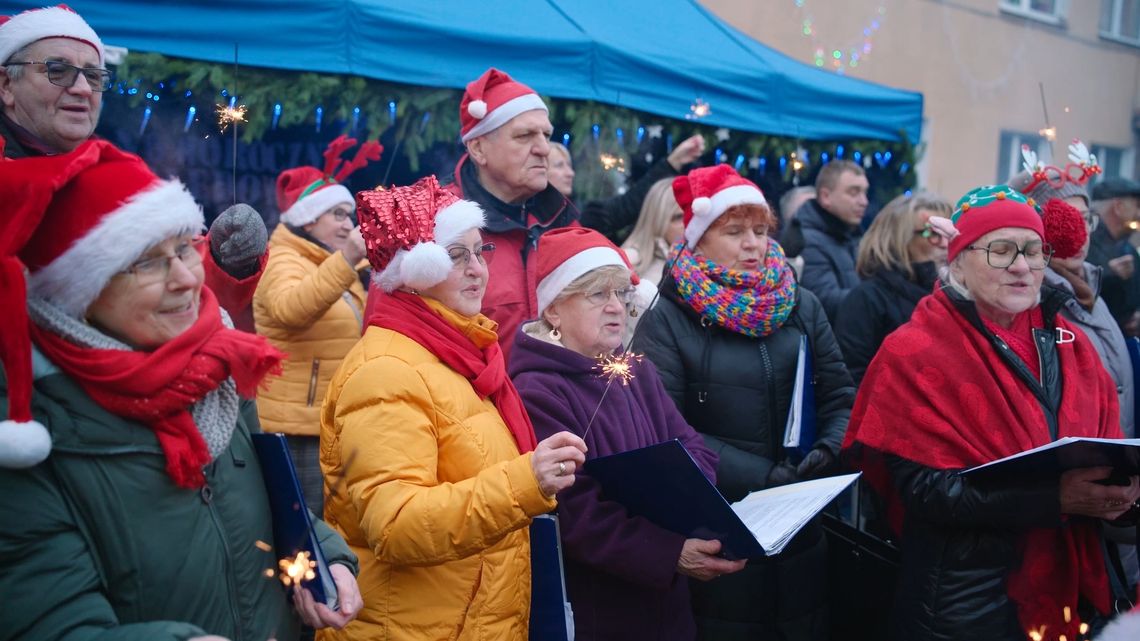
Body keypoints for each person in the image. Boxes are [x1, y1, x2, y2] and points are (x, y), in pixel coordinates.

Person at [0, 140, 362, 641]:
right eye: (146, 262)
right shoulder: (32, 428)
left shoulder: (218, 371)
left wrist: (324, 561)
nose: (185, 279)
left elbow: (278, 508)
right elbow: (46, 619)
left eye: (184, 250)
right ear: (78, 289)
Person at [842, 185, 1140, 641]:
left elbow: (1111, 449)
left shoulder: (1074, 346)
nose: (1021, 266)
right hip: (967, 606)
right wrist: (1053, 499)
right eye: (1000, 251)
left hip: (1074, 597)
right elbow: (924, 493)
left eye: (1034, 251)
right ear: (958, 260)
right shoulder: (914, 352)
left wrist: (1120, 499)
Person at [320, 175, 589, 640]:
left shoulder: (460, 353)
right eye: (454, 255)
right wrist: (527, 480)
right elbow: (396, 524)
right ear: (414, 272)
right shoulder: (386, 370)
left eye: (479, 252)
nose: (478, 270)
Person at [632, 165, 855, 641]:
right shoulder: (668, 317)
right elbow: (666, 427)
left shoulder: (800, 303)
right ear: (697, 239)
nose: (753, 243)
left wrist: (829, 451)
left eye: (759, 230)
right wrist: (764, 478)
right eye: (734, 232)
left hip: (803, 527)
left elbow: (839, 394)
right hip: (720, 531)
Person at [510, 227, 746, 641]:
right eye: (598, 295)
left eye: (621, 294)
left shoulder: (635, 369)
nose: (617, 307)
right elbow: (576, 514)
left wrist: (686, 503)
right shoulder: (538, 391)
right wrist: (669, 552)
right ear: (553, 311)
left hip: (668, 608)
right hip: (603, 611)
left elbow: (694, 447)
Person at [0, 5, 269, 331]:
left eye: (94, 75)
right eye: (58, 70)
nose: (83, 88)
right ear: (5, 84)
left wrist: (227, 262)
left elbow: (179, 296)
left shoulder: (119, 175)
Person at [253, 136, 379, 515]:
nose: (348, 225)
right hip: (295, 429)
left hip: (323, 424)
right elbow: (291, 309)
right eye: (338, 214)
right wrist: (349, 259)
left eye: (350, 215)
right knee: (305, 536)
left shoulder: (326, 261)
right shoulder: (283, 258)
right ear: (308, 218)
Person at [836, 192, 951, 385]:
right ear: (897, 239)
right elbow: (851, 379)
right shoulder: (866, 299)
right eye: (932, 233)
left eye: (949, 232)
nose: (946, 244)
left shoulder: (958, 295)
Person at [580, 133, 706, 244]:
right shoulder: (633, 261)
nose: (570, 173)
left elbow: (623, 207)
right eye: (678, 218)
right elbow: (623, 209)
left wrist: (673, 162)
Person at [784, 160, 869, 323]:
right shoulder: (806, 240)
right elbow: (825, 303)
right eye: (854, 192)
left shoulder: (851, 236)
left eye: (865, 192)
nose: (863, 201)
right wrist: (880, 293)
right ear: (825, 196)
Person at [1090, 177, 1140, 333]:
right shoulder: (1084, 245)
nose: (1138, 215)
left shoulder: (1127, 247)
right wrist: (1108, 274)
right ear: (1118, 206)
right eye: (1137, 206)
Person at [621, 178, 685, 288]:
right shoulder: (628, 263)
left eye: (693, 216)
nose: (687, 224)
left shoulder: (703, 260)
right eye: (678, 217)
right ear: (657, 219)